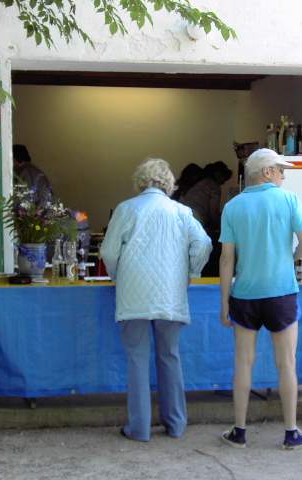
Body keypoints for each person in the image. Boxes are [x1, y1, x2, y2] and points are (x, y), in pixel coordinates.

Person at [100, 158, 212, 442]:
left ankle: (138, 429)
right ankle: (175, 424)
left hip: (133, 294)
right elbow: (204, 244)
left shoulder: (126, 209)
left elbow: (109, 252)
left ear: (140, 182)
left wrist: (117, 276)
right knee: (170, 356)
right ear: (169, 184)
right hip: (170, 294)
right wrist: (191, 271)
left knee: (137, 359)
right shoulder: (181, 211)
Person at [218, 148, 302, 450]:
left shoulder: (232, 206)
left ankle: (239, 431)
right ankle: (290, 432)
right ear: (267, 172)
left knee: (243, 363)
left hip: (244, 294)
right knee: (286, 364)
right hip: (281, 292)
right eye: (281, 170)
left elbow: (226, 259)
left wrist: (224, 303)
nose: (284, 176)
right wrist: (290, 257)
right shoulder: (289, 200)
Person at [180, 161, 233, 276]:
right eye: (223, 180)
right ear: (219, 175)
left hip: (182, 219)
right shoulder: (213, 186)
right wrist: (224, 228)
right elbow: (213, 213)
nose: (222, 184)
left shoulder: (198, 182)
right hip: (195, 220)